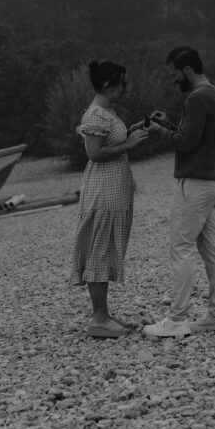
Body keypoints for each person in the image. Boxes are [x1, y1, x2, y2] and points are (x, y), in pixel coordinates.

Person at [143, 46, 215, 338]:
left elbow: (185, 143)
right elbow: (194, 136)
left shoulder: (197, 97)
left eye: (174, 75)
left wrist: (159, 132)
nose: (172, 80)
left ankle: (177, 320)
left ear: (188, 71)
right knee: (212, 250)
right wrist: (168, 124)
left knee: (180, 249)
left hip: (193, 184)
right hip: (211, 184)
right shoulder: (214, 94)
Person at [70, 60, 148, 338]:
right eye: (122, 84)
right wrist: (129, 144)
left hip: (113, 189)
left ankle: (104, 315)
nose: (125, 89)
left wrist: (132, 130)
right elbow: (94, 153)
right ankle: (99, 319)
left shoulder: (107, 113)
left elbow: (110, 144)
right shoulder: (94, 116)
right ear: (107, 86)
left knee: (105, 248)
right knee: (99, 250)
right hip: (103, 191)